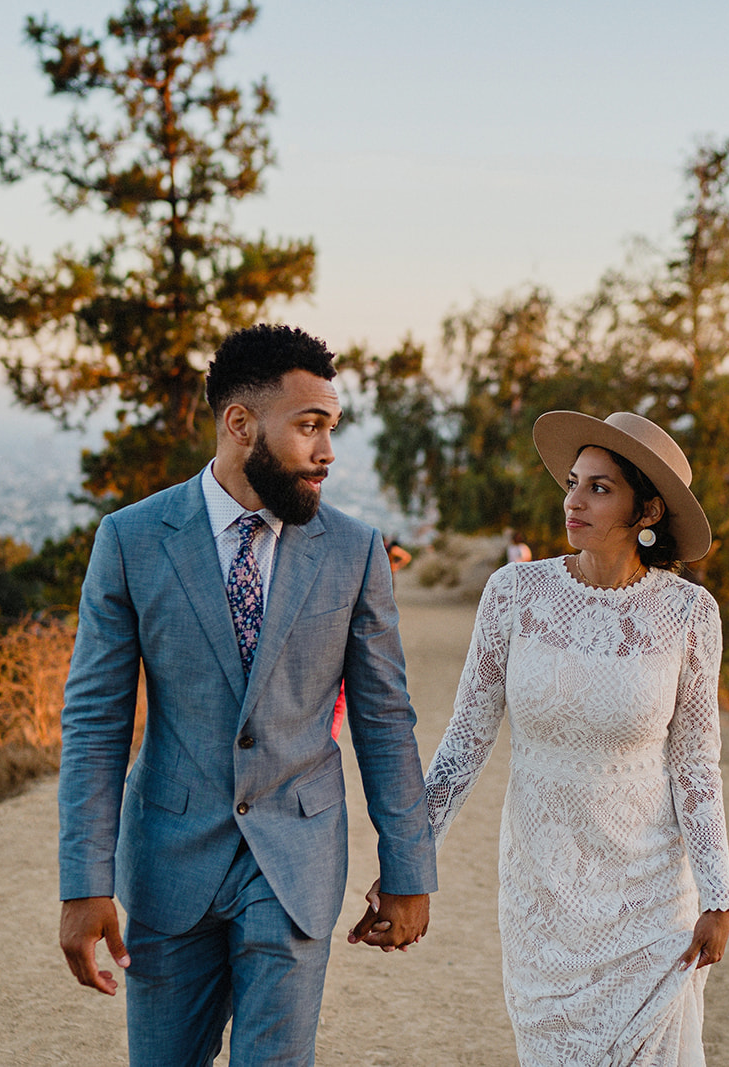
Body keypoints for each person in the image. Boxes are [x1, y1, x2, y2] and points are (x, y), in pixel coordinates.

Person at [58, 324, 437, 1065]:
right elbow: (95, 721)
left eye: (330, 426)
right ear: (240, 424)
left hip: (295, 860)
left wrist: (409, 867)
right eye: (308, 426)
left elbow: (384, 718)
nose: (327, 451)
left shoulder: (355, 550)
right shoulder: (132, 540)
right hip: (169, 865)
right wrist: (84, 881)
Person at [358, 409, 729, 1064]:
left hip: (650, 907)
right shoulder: (514, 594)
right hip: (542, 898)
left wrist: (718, 893)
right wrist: (407, 861)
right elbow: (465, 743)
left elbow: (697, 765)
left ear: (646, 510)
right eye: (572, 481)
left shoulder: (689, 614)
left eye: (599, 486)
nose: (574, 499)